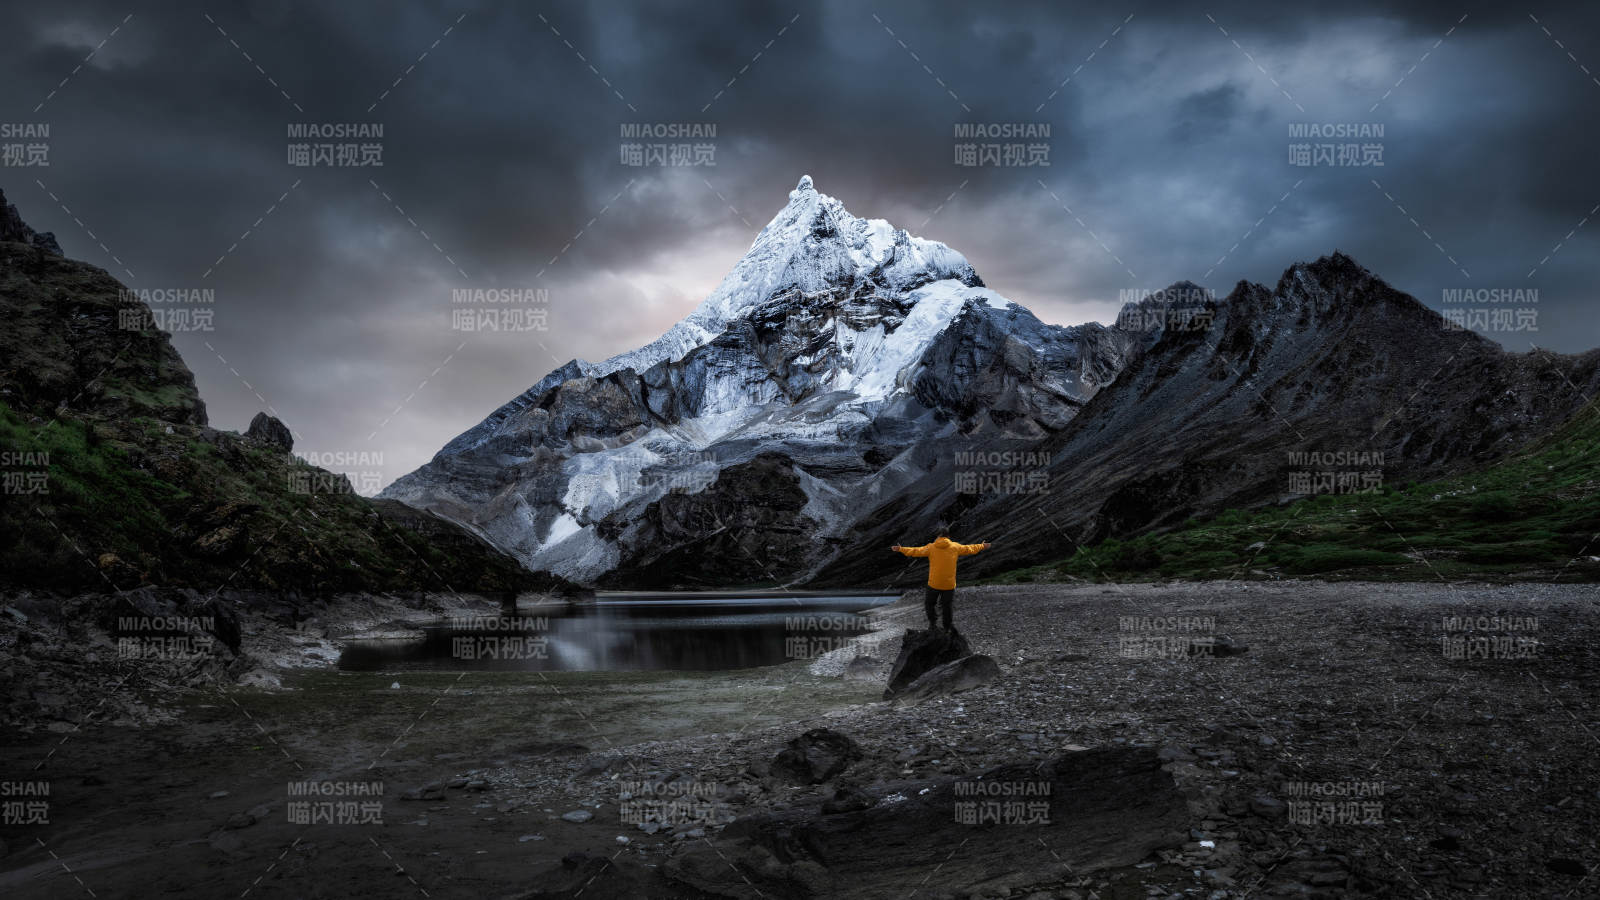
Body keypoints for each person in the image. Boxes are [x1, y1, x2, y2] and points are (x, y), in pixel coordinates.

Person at [891, 529, 991, 633]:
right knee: (947, 606)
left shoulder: (931, 547)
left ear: (938, 536)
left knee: (929, 604)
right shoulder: (955, 547)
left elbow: (915, 551)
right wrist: (982, 546)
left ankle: (933, 624)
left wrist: (901, 549)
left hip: (934, 583)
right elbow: (970, 548)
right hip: (949, 584)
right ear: (948, 536)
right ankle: (947, 627)